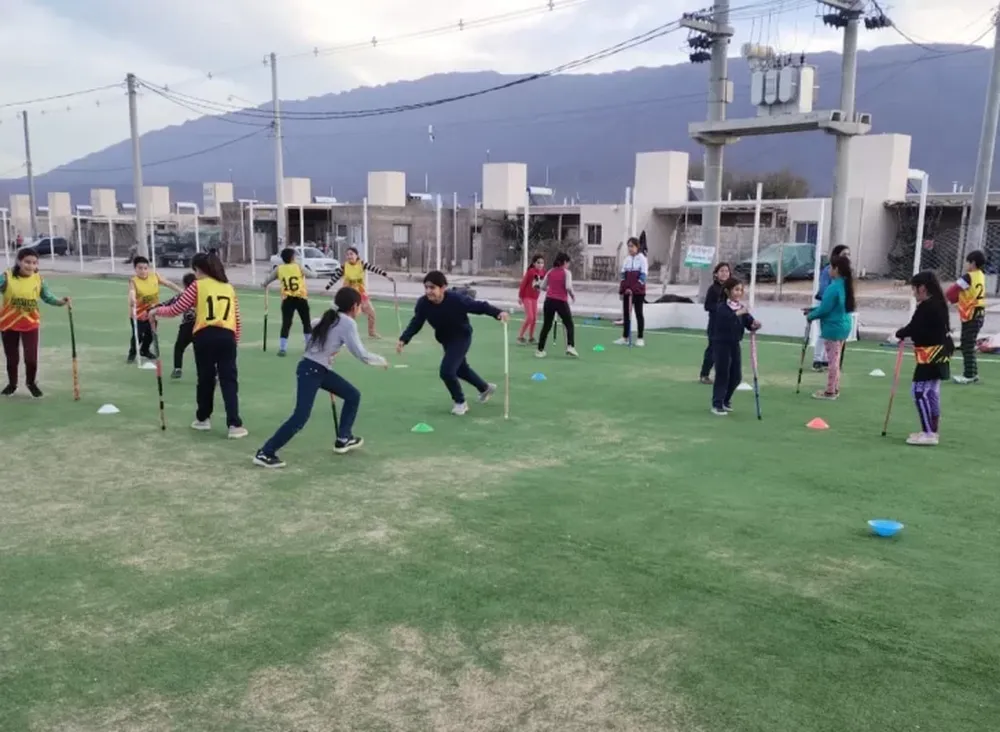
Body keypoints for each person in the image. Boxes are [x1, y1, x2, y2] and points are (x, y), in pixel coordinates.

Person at [254, 287, 389, 468]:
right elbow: (361, 354)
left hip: (316, 369)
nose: (361, 310)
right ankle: (265, 452)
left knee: (352, 395)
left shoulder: (323, 319)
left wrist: (328, 354)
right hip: (312, 371)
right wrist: (380, 360)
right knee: (300, 417)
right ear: (354, 306)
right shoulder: (348, 323)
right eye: (360, 306)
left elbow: (309, 344)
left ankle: (343, 438)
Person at [148, 251, 247, 439]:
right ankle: (234, 424)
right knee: (229, 380)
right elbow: (237, 320)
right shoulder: (229, 288)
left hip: (204, 336)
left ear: (200, 269)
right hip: (227, 336)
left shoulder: (197, 286)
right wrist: (235, 342)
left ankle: (203, 419)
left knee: (206, 379)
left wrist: (155, 311)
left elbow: (176, 309)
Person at [396, 270, 509, 415]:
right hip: (446, 339)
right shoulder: (423, 304)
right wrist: (404, 339)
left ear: (443, 288)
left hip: (461, 337)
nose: (429, 291)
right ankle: (484, 388)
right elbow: (417, 322)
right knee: (461, 369)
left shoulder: (456, 300)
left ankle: (460, 402)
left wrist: (498, 313)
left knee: (447, 371)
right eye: (426, 288)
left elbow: (479, 306)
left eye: (432, 288)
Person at [0, 248, 70, 397]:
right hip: (9, 324)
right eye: (27, 262)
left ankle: (31, 383)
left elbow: (47, 296)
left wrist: (60, 302)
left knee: (31, 359)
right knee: (12, 359)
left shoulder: (38, 279)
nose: (30, 266)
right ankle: (12, 384)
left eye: (34, 263)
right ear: (19, 261)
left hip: (30, 323)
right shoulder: (6, 277)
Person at [895, 271, 953, 446]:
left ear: (923, 288)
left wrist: (899, 334)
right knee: (932, 392)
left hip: (931, 356)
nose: (913, 293)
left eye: (914, 288)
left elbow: (914, 327)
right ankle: (931, 430)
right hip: (939, 354)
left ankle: (929, 433)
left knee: (919, 392)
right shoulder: (937, 303)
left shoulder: (928, 307)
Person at [805, 255, 856, 400]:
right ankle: (834, 387)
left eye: (830, 267)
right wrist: (812, 310)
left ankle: (830, 391)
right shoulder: (846, 285)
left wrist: (811, 316)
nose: (828, 270)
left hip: (833, 327)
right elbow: (831, 307)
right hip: (843, 325)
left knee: (832, 361)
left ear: (836, 269)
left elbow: (825, 309)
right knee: (836, 358)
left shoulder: (833, 287)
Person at [710, 277, 761, 416]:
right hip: (721, 344)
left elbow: (748, 322)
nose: (739, 292)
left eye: (741, 290)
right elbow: (727, 319)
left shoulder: (740, 308)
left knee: (736, 376)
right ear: (728, 291)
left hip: (734, 344)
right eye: (736, 289)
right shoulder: (721, 307)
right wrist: (740, 312)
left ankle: (726, 400)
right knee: (722, 374)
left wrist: (754, 325)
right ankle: (717, 404)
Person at [325, 247, 394, 338]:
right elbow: (336, 277)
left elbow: (375, 269)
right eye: (348, 254)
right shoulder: (344, 266)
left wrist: (386, 275)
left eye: (351, 254)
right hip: (348, 295)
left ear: (356, 255)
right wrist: (328, 286)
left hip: (361, 293)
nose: (349, 256)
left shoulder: (362, 264)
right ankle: (344, 335)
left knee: (371, 313)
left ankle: (371, 332)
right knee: (348, 316)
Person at [127, 256, 182, 364]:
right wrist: (132, 299)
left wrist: (181, 291)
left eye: (145, 268)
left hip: (152, 312)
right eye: (140, 268)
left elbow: (168, 283)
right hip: (138, 314)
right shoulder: (133, 281)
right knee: (138, 336)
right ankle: (132, 353)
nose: (143, 271)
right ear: (135, 269)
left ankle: (144, 350)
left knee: (151, 334)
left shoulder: (154, 276)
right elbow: (132, 292)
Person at [946, 249, 987, 384]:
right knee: (969, 344)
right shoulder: (981, 275)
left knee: (967, 345)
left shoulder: (968, 277)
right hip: (979, 314)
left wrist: (949, 299)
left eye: (967, 262)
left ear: (973, 263)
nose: (966, 265)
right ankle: (972, 373)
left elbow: (953, 291)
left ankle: (969, 375)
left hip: (971, 315)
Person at [263, 247, 312, 357]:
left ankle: (282, 348)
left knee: (286, 323)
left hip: (287, 299)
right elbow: (312, 275)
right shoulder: (298, 267)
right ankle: (309, 347)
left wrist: (264, 284)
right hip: (301, 298)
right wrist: (310, 273)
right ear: (292, 257)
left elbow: (269, 279)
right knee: (306, 322)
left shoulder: (279, 269)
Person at [812, 244, 850, 371]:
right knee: (823, 333)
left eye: (849, 254)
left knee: (832, 335)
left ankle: (828, 360)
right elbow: (824, 289)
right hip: (824, 302)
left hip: (835, 306)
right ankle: (817, 359)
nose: (848, 257)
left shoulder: (847, 273)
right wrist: (829, 304)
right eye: (845, 254)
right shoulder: (829, 270)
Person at [536, 252, 579, 359]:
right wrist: (572, 295)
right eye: (568, 263)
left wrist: (551, 289)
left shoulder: (550, 271)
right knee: (569, 324)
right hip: (561, 302)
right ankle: (570, 346)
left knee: (546, 325)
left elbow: (543, 286)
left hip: (549, 300)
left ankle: (540, 350)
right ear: (564, 262)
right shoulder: (567, 273)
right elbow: (568, 287)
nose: (568, 265)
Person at [158, 272, 197, 379]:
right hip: (202, 326)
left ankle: (177, 368)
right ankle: (212, 374)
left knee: (179, 347)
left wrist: (153, 308)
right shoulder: (202, 295)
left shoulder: (183, 296)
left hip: (187, 326)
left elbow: (168, 303)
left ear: (185, 285)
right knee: (203, 351)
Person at [699, 262, 730, 385]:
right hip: (715, 325)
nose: (724, 273)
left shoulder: (731, 289)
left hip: (728, 326)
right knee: (712, 351)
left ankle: (723, 375)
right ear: (716, 274)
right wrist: (721, 307)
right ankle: (704, 374)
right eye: (721, 271)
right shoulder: (713, 289)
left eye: (726, 271)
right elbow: (707, 306)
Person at [614, 236, 648, 347]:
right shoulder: (627, 259)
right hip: (627, 293)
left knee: (638, 314)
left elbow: (643, 277)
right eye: (628, 246)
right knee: (626, 315)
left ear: (637, 247)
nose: (630, 248)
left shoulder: (642, 259)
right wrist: (623, 288)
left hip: (638, 292)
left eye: (632, 246)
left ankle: (640, 338)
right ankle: (625, 337)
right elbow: (623, 276)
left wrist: (634, 288)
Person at [517, 254, 546, 344]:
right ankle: (520, 336)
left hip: (535, 298)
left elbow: (544, 284)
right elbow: (523, 284)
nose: (540, 265)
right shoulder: (530, 272)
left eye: (542, 263)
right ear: (534, 263)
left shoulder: (544, 272)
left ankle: (531, 337)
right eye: (538, 263)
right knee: (530, 317)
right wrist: (520, 296)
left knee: (534, 318)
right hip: (527, 297)